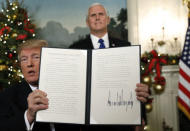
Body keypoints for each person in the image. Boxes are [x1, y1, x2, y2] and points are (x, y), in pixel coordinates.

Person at [69, 3, 149, 131]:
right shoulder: (75, 49)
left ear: (108, 19)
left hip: (121, 122)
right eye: (93, 15)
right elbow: (72, 87)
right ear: (87, 22)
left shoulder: (125, 47)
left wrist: (140, 117)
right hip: (89, 124)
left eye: (101, 14)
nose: (97, 18)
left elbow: (135, 84)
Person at [0, 39, 80, 131]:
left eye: (36, 57)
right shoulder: (7, 96)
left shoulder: (69, 89)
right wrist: (29, 116)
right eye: (24, 59)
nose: (29, 64)